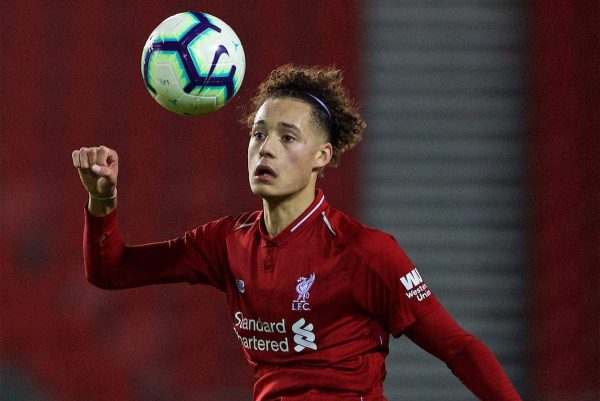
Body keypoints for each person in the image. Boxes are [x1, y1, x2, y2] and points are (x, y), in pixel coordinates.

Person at [72, 65, 522, 401]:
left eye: (288, 137)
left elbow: (459, 349)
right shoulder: (225, 242)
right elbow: (112, 272)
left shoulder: (364, 254)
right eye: (258, 133)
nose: (264, 147)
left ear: (322, 156)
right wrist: (102, 201)